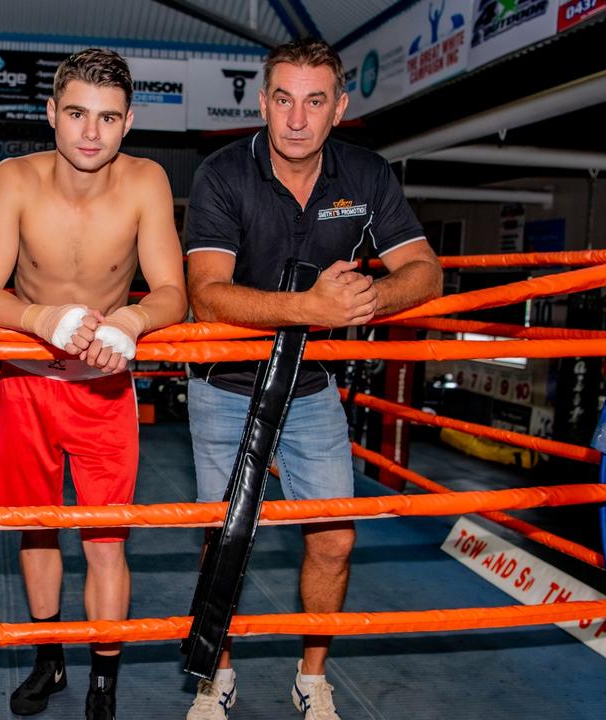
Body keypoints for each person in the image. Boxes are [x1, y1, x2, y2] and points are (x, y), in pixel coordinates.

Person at [183, 38, 442, 720]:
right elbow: (208, 294)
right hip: (222, 382)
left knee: (333, 536)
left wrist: (367, 302)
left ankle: (312, 675)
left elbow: (423, 269)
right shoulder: (221, 174)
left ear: (339, 108)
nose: (296, 119)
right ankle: (217, 675)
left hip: (308, 385)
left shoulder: (365, 175)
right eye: (283, 99)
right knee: (223, 540)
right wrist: (309, 308)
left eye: (314, 101)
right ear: (264, 102)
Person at [0, 49, 187, 720]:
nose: (91, 133)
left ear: (127, 122)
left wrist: (133, 318)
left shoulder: (146, 181)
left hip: (104, 387)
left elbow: (174, 291)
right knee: (35, 532)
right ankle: (48, 661)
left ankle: (103, 678)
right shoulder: (14, 178)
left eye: (107, 118)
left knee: (105, 538)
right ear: (51, 114)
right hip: (26, 385)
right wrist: (40, 317)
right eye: (76, 114)